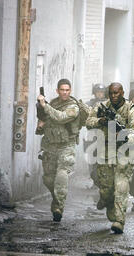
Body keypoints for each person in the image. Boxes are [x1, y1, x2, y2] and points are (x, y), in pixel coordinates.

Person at [86, 83, 134, 234]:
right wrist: (101, 121)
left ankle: (119, 220)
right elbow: (88, 122)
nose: (114, 96)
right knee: (106, 189)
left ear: (123, 93)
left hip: (124, 153)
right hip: (105, 151)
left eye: (117, 93)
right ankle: (110, 205)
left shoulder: (131, 110)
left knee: (121, 186)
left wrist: (124, 136)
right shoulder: (102, 107)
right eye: (111, 93)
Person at [37, 79, 81, 222]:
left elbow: (61, 117)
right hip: (50, 146)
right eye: (62, 90)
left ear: (70, 91)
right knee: (48, 179)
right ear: (57, 91)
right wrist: (41, 125)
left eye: (67, 90)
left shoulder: (73, 106)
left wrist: (45, 105)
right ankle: (57, 198)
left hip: (66, 146)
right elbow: (46, 120)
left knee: (61, 175)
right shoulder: (54, 103)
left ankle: (58, 207)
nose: (65, 92)